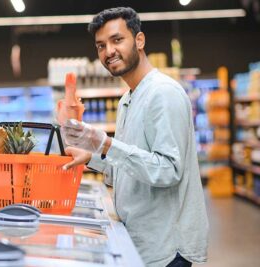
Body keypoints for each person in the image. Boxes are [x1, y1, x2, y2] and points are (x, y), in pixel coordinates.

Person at [62, 7, 209, 267]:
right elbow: (132, 167)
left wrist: (106, 143)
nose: (108, 52)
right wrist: (93, 157)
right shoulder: (128, 99)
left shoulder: (162, 93)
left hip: (166, 249)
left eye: (117, 40)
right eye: (100, 45)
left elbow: (168, 171)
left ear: (139, 40)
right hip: (142, 242)